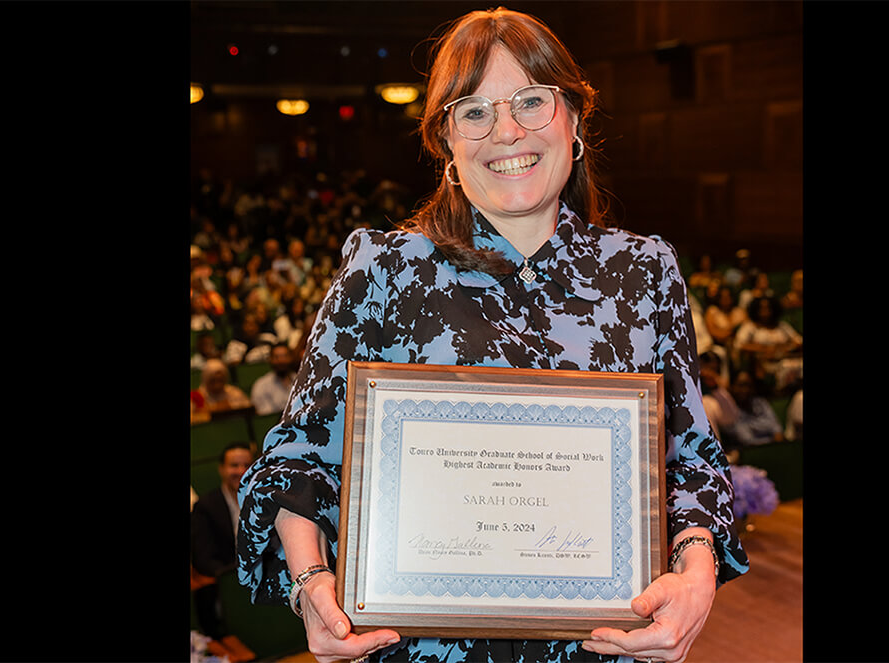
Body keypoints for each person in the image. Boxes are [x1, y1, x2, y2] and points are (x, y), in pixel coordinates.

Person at [236, 8, 748, 663]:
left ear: (574, 120)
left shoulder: (644, 271)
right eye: (473, 111)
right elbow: (298, 460)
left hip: (609, 649)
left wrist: (697, 565)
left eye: (532, 101)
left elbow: (691, 461)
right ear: (446, 140)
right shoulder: (386, 271)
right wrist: (311, 581)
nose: (507, 130)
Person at [192, 442, 256, 641]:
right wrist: (236, 577)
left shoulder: (265, 498)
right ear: (221, 469)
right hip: (228, 588)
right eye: (234, 466)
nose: (241, 471)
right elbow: (203, 559)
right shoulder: (206, 506)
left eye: (247, 465)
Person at [719, 370, 783, 448]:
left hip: (774, 448)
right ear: (731, 387)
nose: (745, 389)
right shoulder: (728, 411)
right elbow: (747, 440)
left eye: (749, 385)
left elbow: (777, 430)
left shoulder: (760, 403)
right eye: (741, 385)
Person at [192, 358, 252, 423]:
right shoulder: (196, 396)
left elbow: (248, 409)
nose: (217, 384)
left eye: (220, 380)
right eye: (213, 380)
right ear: (206, 379)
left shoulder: (234, 392)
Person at [249, 343, 296, 416]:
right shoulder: (261, 385)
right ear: (270, 360)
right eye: (276, 357)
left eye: (285, 356)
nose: (281, 361)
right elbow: (265, 416)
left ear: (291, 358)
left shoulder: (302, 381)